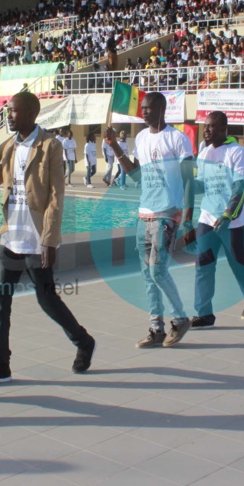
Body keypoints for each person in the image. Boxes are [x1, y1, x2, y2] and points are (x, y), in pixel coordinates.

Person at [0, 92, 95, 385]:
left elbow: (57, 196)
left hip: (36, 238)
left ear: (32, 113)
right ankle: (0, 365)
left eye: (13, 111)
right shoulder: (10, 146)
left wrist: (50, 238)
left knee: (47, 300)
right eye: (8, 111)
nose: (9, 116)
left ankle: (83, 341)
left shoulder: (50, 146)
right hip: (11, 236)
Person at [104, 92, 195, 348]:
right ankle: (156, 328)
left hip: (167, 213)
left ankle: (180, 318)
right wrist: (113, 147)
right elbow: (136, 176)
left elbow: (188, 179)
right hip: (144, 213)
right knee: (147, 275)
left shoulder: (178, 139)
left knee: (158, 270)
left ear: (161, 109)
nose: (142, 111)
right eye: (141, 108)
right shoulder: (141, 137)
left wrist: (187, 218)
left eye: (147, 108)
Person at [185, 112, 244, 328]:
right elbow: (201, 185)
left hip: (231, 221)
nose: (206, 130)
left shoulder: (237, 152)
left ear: (224, 128)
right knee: (203, 265)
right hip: (207, 218)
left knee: (238, 263)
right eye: (205, 126)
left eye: (211, 126)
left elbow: (240, 186)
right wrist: (186, 180)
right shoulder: (204, 153)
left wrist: (229, 214)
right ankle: (204, 313)